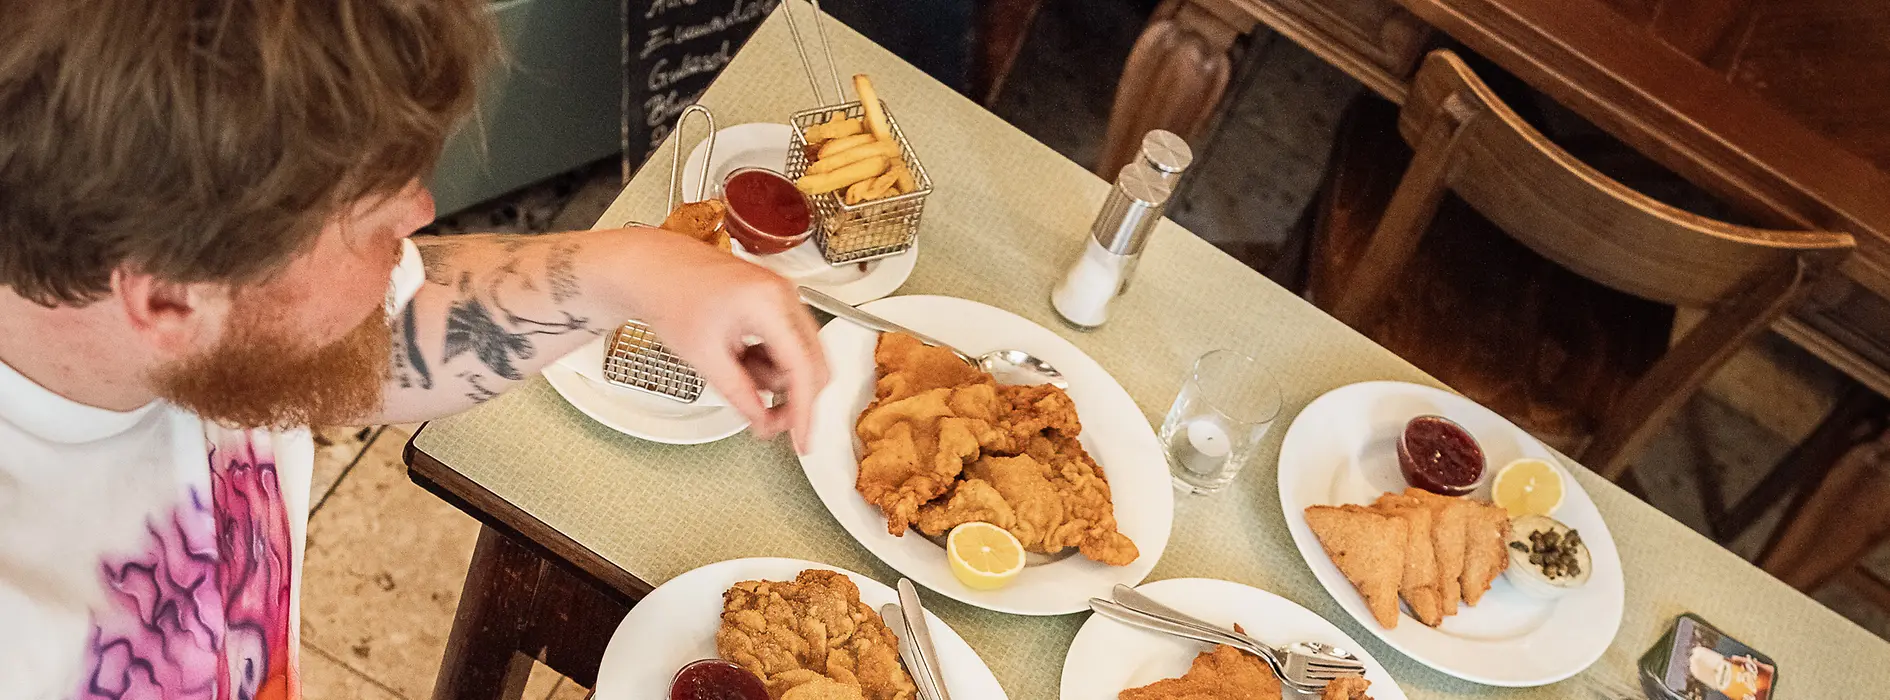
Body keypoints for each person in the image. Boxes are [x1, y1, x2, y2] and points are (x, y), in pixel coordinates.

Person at [0, 1, 828, 698]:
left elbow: (376, 338)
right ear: (171, 297)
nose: (423, 215)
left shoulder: (180, 306)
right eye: (370, 224)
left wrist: (641, 273)